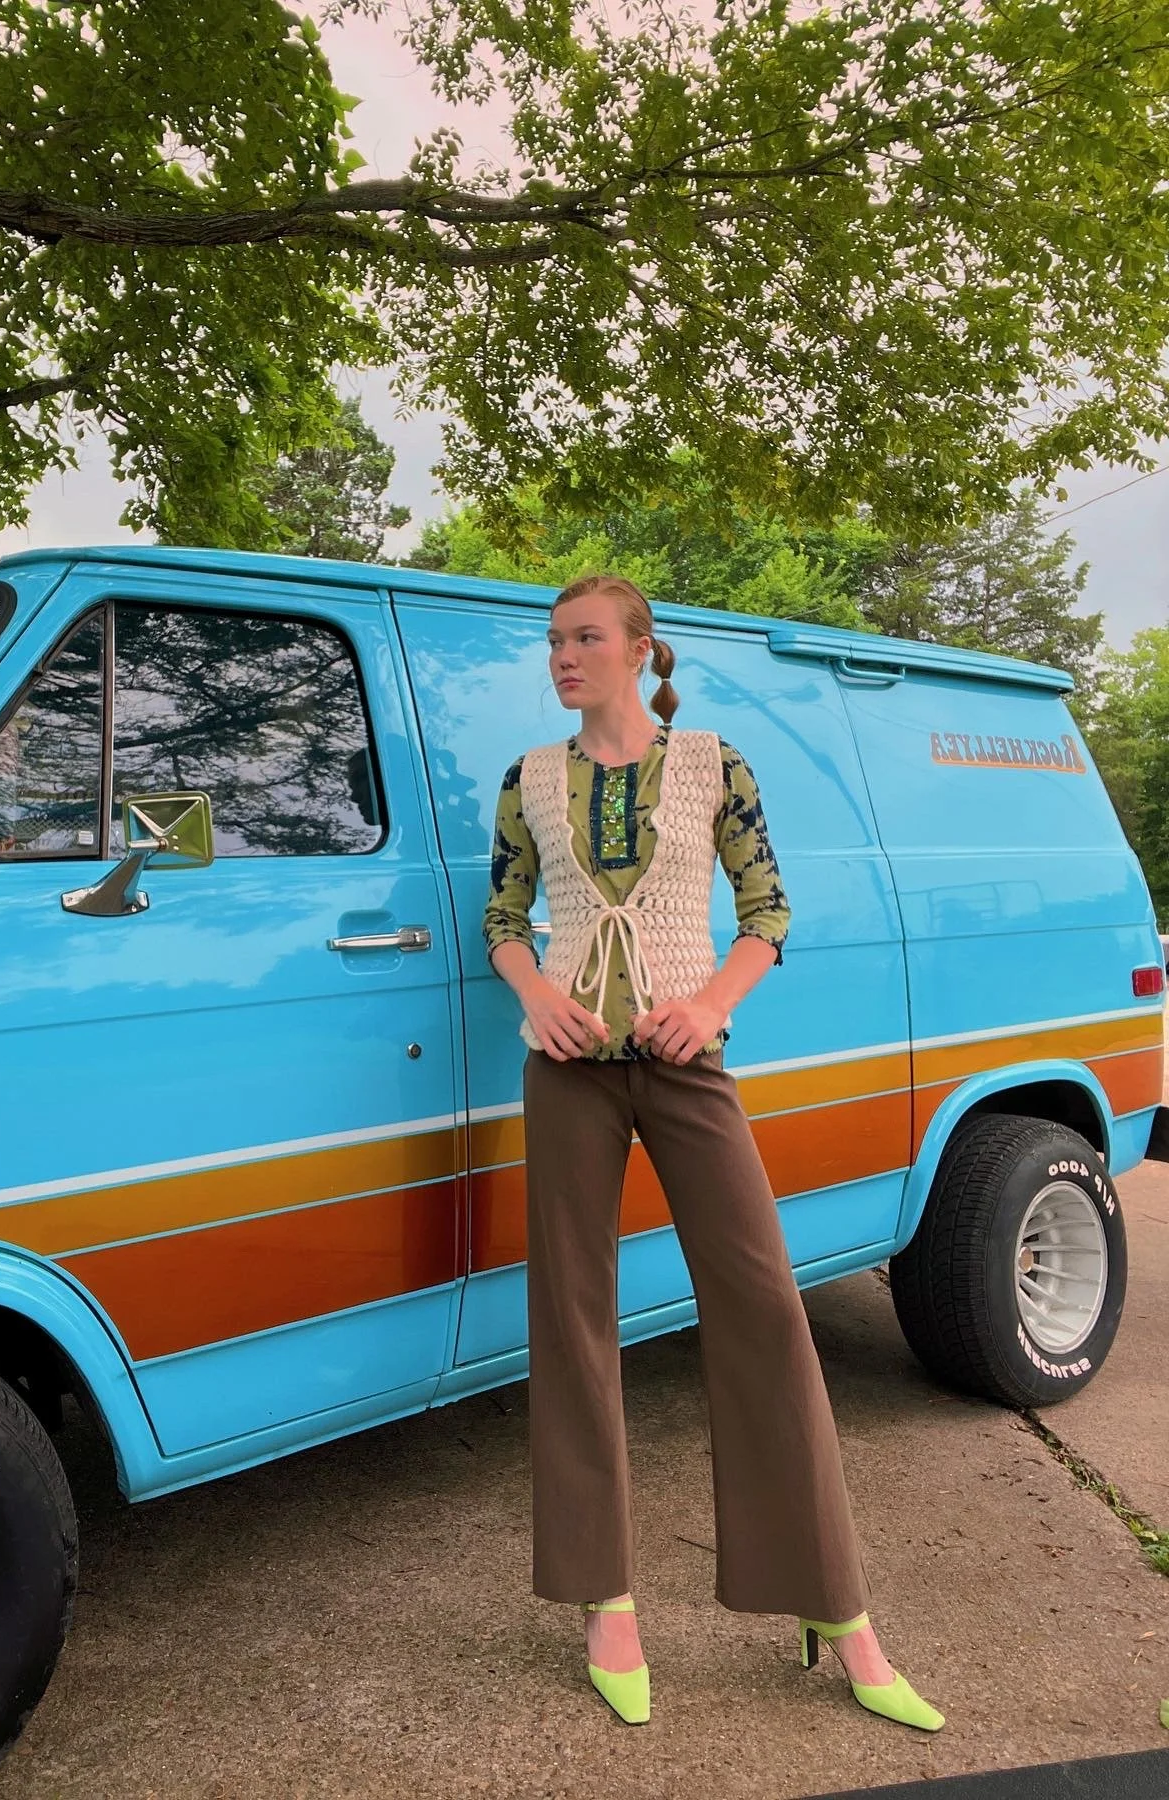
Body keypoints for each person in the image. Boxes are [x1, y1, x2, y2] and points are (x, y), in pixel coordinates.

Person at [482, 572, 943, 1732]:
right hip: (569, 1074)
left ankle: (837, 1606)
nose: (563, 657)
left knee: (762, 1305)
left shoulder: (713, 764)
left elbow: (770, 912)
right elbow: (502, 918)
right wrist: (534, 993)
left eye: (585, 638)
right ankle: (606, 1600)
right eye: (554, 642)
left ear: (640, 650)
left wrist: (710, 1003)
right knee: (574, 1320)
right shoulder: (529, 779)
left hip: (688, 1065)